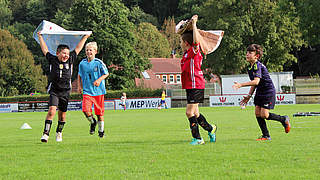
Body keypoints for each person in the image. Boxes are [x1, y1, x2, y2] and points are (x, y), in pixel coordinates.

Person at [38, 32, 90, 143]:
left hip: (66, 92)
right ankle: (45, 134)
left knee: (62, 116)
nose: (66, 55)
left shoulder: (70, 59)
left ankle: (59, 132)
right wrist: (40, 37)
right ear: (57, 53)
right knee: (52, 111)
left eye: (67, 53)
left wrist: (85, 37)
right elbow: (44, 49)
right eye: (63, 53)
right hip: (54, 91)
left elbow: (78, 48)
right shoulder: (52, 59)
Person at [232, 44, 291, 141]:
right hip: (260, 91)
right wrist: (248, 96)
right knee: (257, 113)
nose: (247, 54)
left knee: (264, 115)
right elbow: (254, 84)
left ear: (257, 56)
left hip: (268, 91)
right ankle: (266, 136)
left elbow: (256, 81)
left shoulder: (257, 66)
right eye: (247, 52)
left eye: (250, 53)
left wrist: (240, 85)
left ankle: (283, 119)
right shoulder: (250, 67)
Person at [179, 15, 217, 145]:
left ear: (186, 44)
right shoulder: (185, 54)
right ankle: (211, 129)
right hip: (190, 86)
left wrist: (194, 25)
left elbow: (196, 42)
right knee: (195, 113)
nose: (180, 44)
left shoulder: (194, 51)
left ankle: (198, 138)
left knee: (189, 112)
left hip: (196, 85)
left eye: (181, 42)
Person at [78, 42, 109, 138]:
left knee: (100, 114)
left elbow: (106, 73)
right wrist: (79, 86)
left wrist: (99, 80)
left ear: (95, 51)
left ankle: (101, 132)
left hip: (98, 92)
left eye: (90, 50)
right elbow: (79, 75)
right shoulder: (82, 63)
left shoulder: (99, 63)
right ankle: (92, 122)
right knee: (85, 110)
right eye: (87, 50)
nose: (88, 52)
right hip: (87, 91)